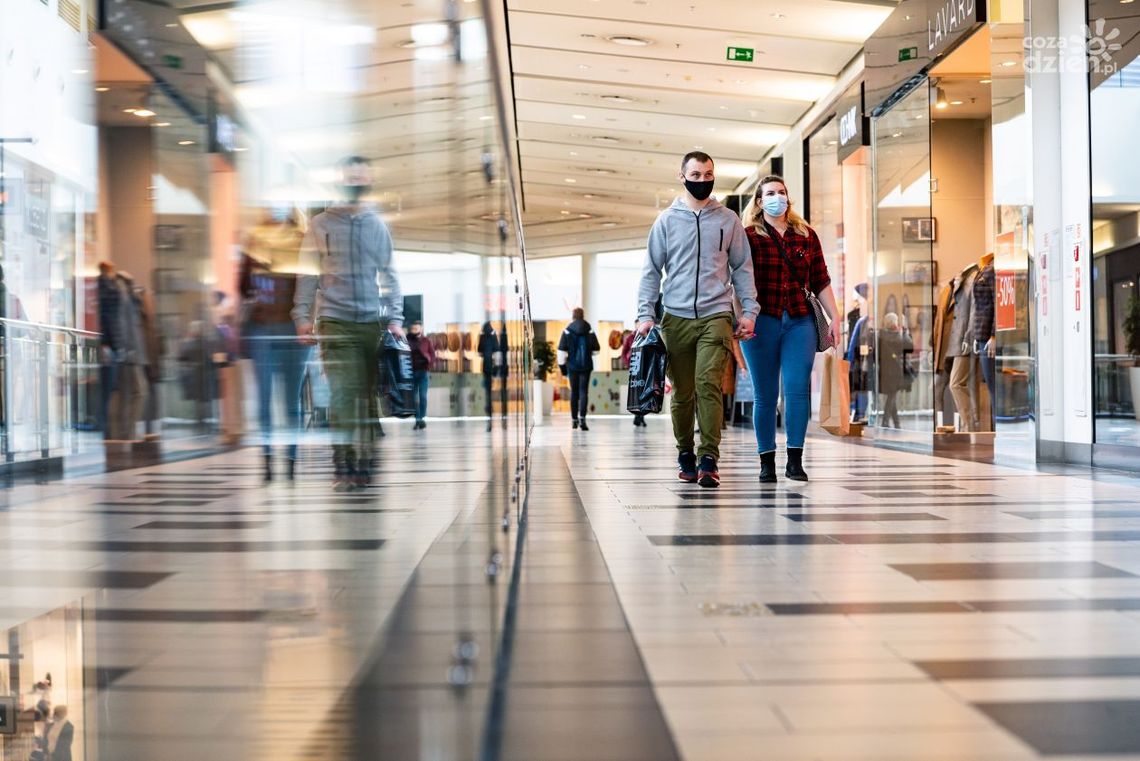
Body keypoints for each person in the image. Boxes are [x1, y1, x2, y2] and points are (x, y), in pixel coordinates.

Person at [636, 151, 758, 488]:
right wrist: (645, 315)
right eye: (696, 174)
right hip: (674, 318)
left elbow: (742, 268)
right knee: (683, 392)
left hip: (716, 314)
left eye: (708, 175)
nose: (702, 181)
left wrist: (749, 311)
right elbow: (651, 271)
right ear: (682, 176)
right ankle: (685, 453)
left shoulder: (728, 220)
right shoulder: (666, 221)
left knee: (708, 384)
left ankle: (708, 458)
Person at [293, 156, 404, 491]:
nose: (356, 181)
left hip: (370, 322)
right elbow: (307, 274)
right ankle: (344, 462)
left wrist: (396, 318)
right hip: (335, 322)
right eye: (350, 176)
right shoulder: (321, 225)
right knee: (343, 393)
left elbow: (389, 275)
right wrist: (302, 317)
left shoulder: (376, 225)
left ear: (368, 180)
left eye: (361, 176)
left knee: (367, 394)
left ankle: (365, 459)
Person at [740, 175, 841, 483]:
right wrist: (741, 318)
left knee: (797, 390)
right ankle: (766, 461)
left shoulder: (806, 235)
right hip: (762, 322)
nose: (777, 197)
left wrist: (835, 317)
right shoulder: (748, 237)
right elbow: (738, 281)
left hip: (800, 320)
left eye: (781, 192)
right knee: (765, 394)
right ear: (759, 202)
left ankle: (795, 459)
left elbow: (820, 279)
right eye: (770, 193)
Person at [240, 209, 307, 481]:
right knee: (274, 400)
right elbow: (243, 286)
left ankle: (283, 460)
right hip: (270, 327)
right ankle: (276, 460)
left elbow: (243, 286)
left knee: (283, 400)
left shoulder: (300, 240)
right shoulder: (256, 240)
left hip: (287, 327)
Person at [557, 307, 601, 430]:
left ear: (573, 316)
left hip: (572, 366)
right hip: (586, 366)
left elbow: (561, 353)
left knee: (574, 392)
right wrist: (588, 353)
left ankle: (574, 420)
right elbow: (597, 350)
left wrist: (563, 369)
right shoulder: (589, 329)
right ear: (583, 316)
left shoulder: (567, 331)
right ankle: (582, 419)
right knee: (583, 392)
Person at [878, 312, 913, 428]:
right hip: (896, 370)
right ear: (894, 324)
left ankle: (896, 423)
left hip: (884, 369)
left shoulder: (881, 335)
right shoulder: (899, 336)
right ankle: (885, 421)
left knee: (891, 396)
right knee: (892, 396)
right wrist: (905, 332)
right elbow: (910, 346)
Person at [407, 320, 436, 429]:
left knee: (423, 396)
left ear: (421, 329)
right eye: (412, 328)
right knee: (414, 399)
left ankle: (421, 418)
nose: (414, 330)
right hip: (411, 373)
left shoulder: (426, 341)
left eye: (416, 328)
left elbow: (432, 355)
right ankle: (417, 419)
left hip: (423, 372)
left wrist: (429, 365)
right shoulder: (407, 340)